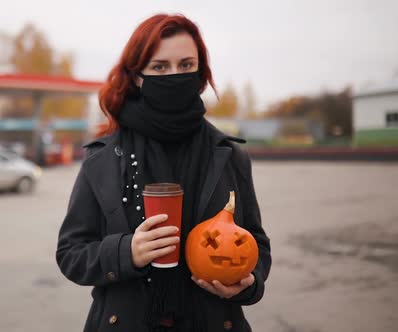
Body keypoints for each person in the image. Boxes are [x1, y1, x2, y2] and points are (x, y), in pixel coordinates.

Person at [56, 14, 271, 332]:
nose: (175, 75)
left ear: (200, 73)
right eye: (159, 67)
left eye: (186, 65)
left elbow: (257, 244)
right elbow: (70, 253)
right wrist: (125, 251)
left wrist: (249, 284)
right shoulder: (101, 160)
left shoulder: (230, 156)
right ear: (138, 76)